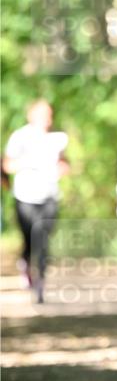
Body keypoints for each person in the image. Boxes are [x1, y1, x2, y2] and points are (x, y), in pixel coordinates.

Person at [2, 99, 69, 303]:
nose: (47, 118)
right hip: (25, 196)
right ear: (31, 115)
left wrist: (62, 168)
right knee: (30, 239)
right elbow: (7, 165)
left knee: (43, 239)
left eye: (49, 114)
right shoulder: (19, 137)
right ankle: (26, 263)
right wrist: (28, 163)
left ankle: (41, 283)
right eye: (43, 114)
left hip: (49, 196)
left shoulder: (57, 137)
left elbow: (64, 162)